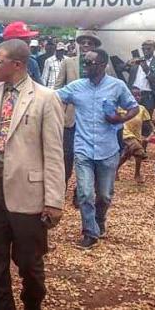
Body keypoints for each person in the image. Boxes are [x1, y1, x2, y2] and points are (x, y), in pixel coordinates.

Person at [0, 39, 65, 310]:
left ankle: (32, 304)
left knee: (30, 264)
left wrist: (54, 200)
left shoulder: (46, 98)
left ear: (17, 65)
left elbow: (54, 153)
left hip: (27, 195)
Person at [56, 49, 139, 250]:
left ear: (102, 65)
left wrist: (121, 118)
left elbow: (134, 107)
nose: (85, 67)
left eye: (89, 63)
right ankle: (89, 232)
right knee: (85, 193)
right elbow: (53, 98)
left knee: (104, 195)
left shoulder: (117, 86)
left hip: (108, 149)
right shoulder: (76, 87)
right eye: (84, 63)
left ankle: (100, 220)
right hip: (83, 148)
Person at [54, 31, 116, 207]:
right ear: (78, 45)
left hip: (93, 121)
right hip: (70, 119)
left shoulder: (105, 67)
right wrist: (58, 114)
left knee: (88, 158)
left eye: (90, 43)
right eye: (83, 42)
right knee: (65, 158)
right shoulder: (68, 62)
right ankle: (59, 194)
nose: (86, 45)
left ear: (95, 46)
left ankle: (80, 194)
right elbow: (58, 89)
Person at [116, 87, 152, 184]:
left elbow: (148, 123)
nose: (137, 97)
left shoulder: (142, 109)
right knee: (138, 149)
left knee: (128, 154)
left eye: (139, 95)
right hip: (125, 133)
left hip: (137, 135)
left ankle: (116, 170)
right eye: (134, 95)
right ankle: (137, 173)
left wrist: (151, 134)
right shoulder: (121, 107)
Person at [124, 40, 155, 114]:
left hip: (148, 97)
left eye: (148, 49)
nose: (146, 51)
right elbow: (120, 68)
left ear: (154, 48)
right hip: (133, 94)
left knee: (146, 121)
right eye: (143, 49)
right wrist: (126, 64)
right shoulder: (137, 60)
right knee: (130, 119)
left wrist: (147, 71)